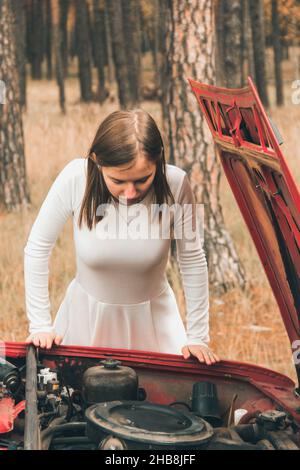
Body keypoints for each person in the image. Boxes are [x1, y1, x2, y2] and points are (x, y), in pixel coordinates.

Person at [24, 109, 220, 366]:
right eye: (117, 180)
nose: (130, 193)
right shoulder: (75, 178)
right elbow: (37, 248)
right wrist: (40, 324)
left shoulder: (176, 185)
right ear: (97, 162)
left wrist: (198, 336)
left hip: (153, 323)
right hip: (86, 320)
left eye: (142, 180)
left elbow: (193, 260)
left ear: (158, 161)